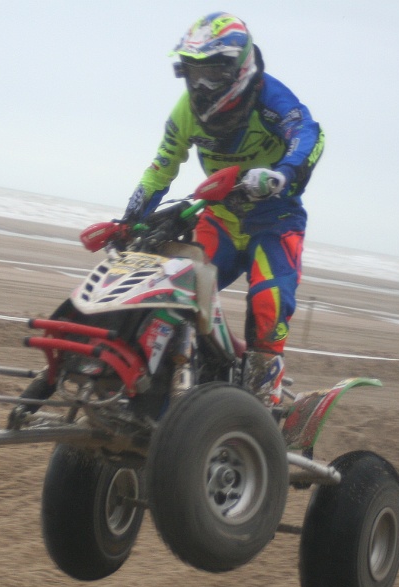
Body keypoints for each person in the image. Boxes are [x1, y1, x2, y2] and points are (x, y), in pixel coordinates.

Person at [123, 11, 324, 407]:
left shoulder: (271, 98)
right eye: (193, 73)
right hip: (220, 217)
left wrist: (282, 174)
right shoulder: (184, 112)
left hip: (276, 221)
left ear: (240, 67)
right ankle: (163, 395)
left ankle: (261, 408)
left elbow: (310, 135)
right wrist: (129, 220)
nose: (202, 84)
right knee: (174, 291)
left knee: (268, 306)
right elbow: (160, 169)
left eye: (213, 73)